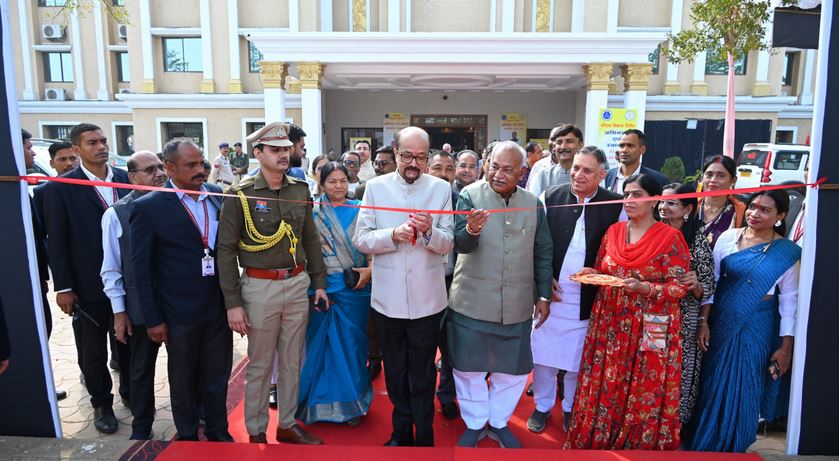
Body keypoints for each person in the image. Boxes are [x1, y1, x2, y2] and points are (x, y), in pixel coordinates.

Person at [217, 122, 327, 445]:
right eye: (275, 150)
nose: (283, 155)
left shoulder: (299, 190)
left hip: (296, 283)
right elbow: (226, 250)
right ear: (258, 153)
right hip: (259, 286)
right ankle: (256, 431)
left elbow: (310, 239)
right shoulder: (240, 193)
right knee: (261, 363)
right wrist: (233, 303)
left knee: (293, 360)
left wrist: (319, 283)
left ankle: (287, 424)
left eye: (286, 149)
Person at [564, 174, 689, 450]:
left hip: (651, 322)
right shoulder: (614, 231)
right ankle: (600, 439)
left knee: (644, 384)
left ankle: (636, 446)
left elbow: (679, 288)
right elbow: (603, 269)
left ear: (654, 200)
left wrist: (646, 288)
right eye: (627, 194)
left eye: (637, 195)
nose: (629, 200)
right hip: (610, 318)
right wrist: (590, 273)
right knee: (607, 379)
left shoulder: (671, 238)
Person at [353, 126, 454, 447]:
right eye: (407, 156)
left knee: (423, 373)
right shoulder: (376, 187)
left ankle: (424, 435)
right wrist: (392, 235)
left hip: (428, 299)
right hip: (388, 299)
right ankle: (401, 432)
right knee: (395, 371)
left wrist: (430, 232)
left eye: (421, 158)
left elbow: (448, 242)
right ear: (395, 153)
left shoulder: (440, 188)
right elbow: (361, 238)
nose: (414, 164)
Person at [448, 141, 553, 448]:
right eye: (494, 166)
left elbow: (543, 250)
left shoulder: (533, 203)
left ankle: (498, 422)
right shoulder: (469, 195)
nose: (498, 174)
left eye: (508, 169)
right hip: (472, 299)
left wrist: (543, 295)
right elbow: (460, 244)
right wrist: (472, 230)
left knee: (513, 370)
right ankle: (475, 423)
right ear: (486, 164)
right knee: (468, 368)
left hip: (517, 303)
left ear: (522, 172)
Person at [130, 138, 233, 442]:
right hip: (177, 313)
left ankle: (218, 431)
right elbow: (141, 270)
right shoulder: (148, 207)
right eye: (191, 165)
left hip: (217, 306)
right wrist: (153, 319)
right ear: (170, 168)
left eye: (201, 163)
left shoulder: (216, 195)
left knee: (217, 376)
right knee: (183, 379)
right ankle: (187, 437)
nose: (200, 169)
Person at [686, 190, 800, 453]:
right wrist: (703, 322)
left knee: (746, 384)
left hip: (757, 326)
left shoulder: (786, 252)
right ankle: (705, 444)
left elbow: (789, 303)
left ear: (781, 215)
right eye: (752, 206)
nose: (754, 213)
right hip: (722, 321)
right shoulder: (728, 238)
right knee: (713, 382)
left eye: (765, 210)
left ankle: (736, 447)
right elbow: (712, 283)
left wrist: (785, 349)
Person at [528, 146, 624, 434]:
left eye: (587, 171)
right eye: (576, 168)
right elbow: (535, 242)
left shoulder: (615, 205)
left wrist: (601, 274)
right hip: (551, 295)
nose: (578, 175)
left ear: (602, 175)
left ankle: (571, 407)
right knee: (543, 358)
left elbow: (619, 252)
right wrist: (543, 278)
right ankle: (542, 406)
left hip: (588, 298)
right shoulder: (551, 197)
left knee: (576, 360)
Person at [45, 123, 131, 433]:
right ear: (76, 149)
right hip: (87, 284)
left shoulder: (126, 179)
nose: (101, 146)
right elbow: (57, 241)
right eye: (92, 142)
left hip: (127, 282)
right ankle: (101, 403)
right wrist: (64, 287)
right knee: (93, 350)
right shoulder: (61, 188)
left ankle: (130, 392)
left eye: (103, 140)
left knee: (127, 344)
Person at [297, 162, 373, 426]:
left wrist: (370, 270)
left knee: (352, 348)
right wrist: (317, 284)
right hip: (323, 288)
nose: (338, 186)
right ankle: (317, 405)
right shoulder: (312, 211)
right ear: (321, 183)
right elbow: (306, 250)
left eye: (342, 181)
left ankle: (353, 405)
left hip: (356, 289)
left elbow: (372, 246)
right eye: (331, 181)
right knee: (322, 347)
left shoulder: (362, 209)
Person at [100, 151, 168, 440]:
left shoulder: (178, 202)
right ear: (132, 178)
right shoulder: (116, 214)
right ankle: (142, 424)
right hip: (140, 305)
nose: (160, 173)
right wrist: (119, 312)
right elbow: (111, 268)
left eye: (161, 167)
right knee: (140, 369)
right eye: (150, 169)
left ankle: (194, 413)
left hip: (178, 302)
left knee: (187, 364)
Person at [658, 183, 715, 426]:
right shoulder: (651, 234)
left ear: (688, 210)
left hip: (685, 319)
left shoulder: (697, 242)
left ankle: (674, 428)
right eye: (661, 201)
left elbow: (707, 290)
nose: (663, 207)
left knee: (681, 373)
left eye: (671, 203)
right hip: (654, 315)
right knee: (653, 369)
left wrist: (695, 285)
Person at [426, 150, 460, 421]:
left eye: (449, 169)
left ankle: (447, 395)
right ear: (428, 169)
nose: (444, 174)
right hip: (425, 281)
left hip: (455, 282)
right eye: (438, 168)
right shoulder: (420, 200)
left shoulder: (463, 201)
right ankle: (422, 396)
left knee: (451, 346)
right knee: (425, 344)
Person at [696, 155, 746, 249]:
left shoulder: (740, 212)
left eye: (721, 176)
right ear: (702, 177)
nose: (713, 180)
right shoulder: (690, 207)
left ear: (733, 180)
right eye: (709, 175)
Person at [604, 129, 670, 192]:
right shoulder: (605, 176)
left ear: (642, 149)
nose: (624, 150)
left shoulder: (659, 180)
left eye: (630, 146)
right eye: (621, 146)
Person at [528, 124, 583, 197]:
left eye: (569, 141)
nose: (563, 146)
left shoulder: (589, 175)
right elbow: (533, 203)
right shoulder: (541, 177)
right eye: (559, 142)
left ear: (580, 144)